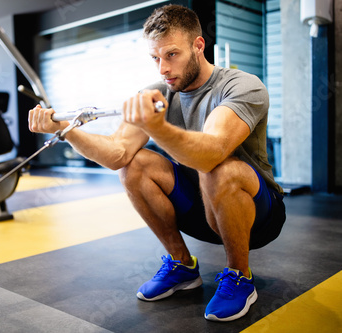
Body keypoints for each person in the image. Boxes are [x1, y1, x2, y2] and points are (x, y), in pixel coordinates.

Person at [28, 4, 286, 322]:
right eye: (155, 58)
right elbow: (116, 154)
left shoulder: (241, 86)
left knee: (221, 168)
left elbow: (213, 151)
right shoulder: (158, 91)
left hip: (257, 214)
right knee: (133, 164)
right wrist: (63, 130)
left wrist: (156, 127)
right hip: (199, 208)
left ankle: (239, 275)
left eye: (171, 55)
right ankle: (182, 265)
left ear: (198, 46)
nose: (162, 68)